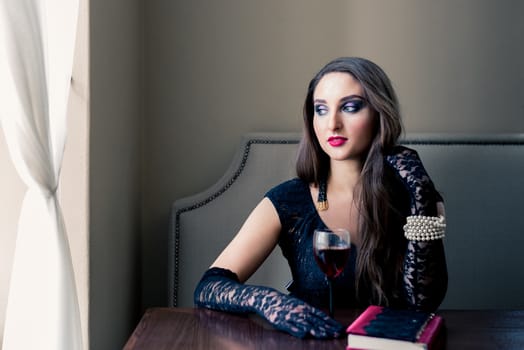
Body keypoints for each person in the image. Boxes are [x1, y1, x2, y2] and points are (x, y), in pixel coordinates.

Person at [194, 57, 448, 339]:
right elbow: (208, 286)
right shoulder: (288, 200)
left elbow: (422, 303)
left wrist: (421, 189)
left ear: (379, 114)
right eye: (321, 109)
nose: (333, 124)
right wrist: (269, 302)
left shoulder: (416, 199)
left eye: (350, 107)